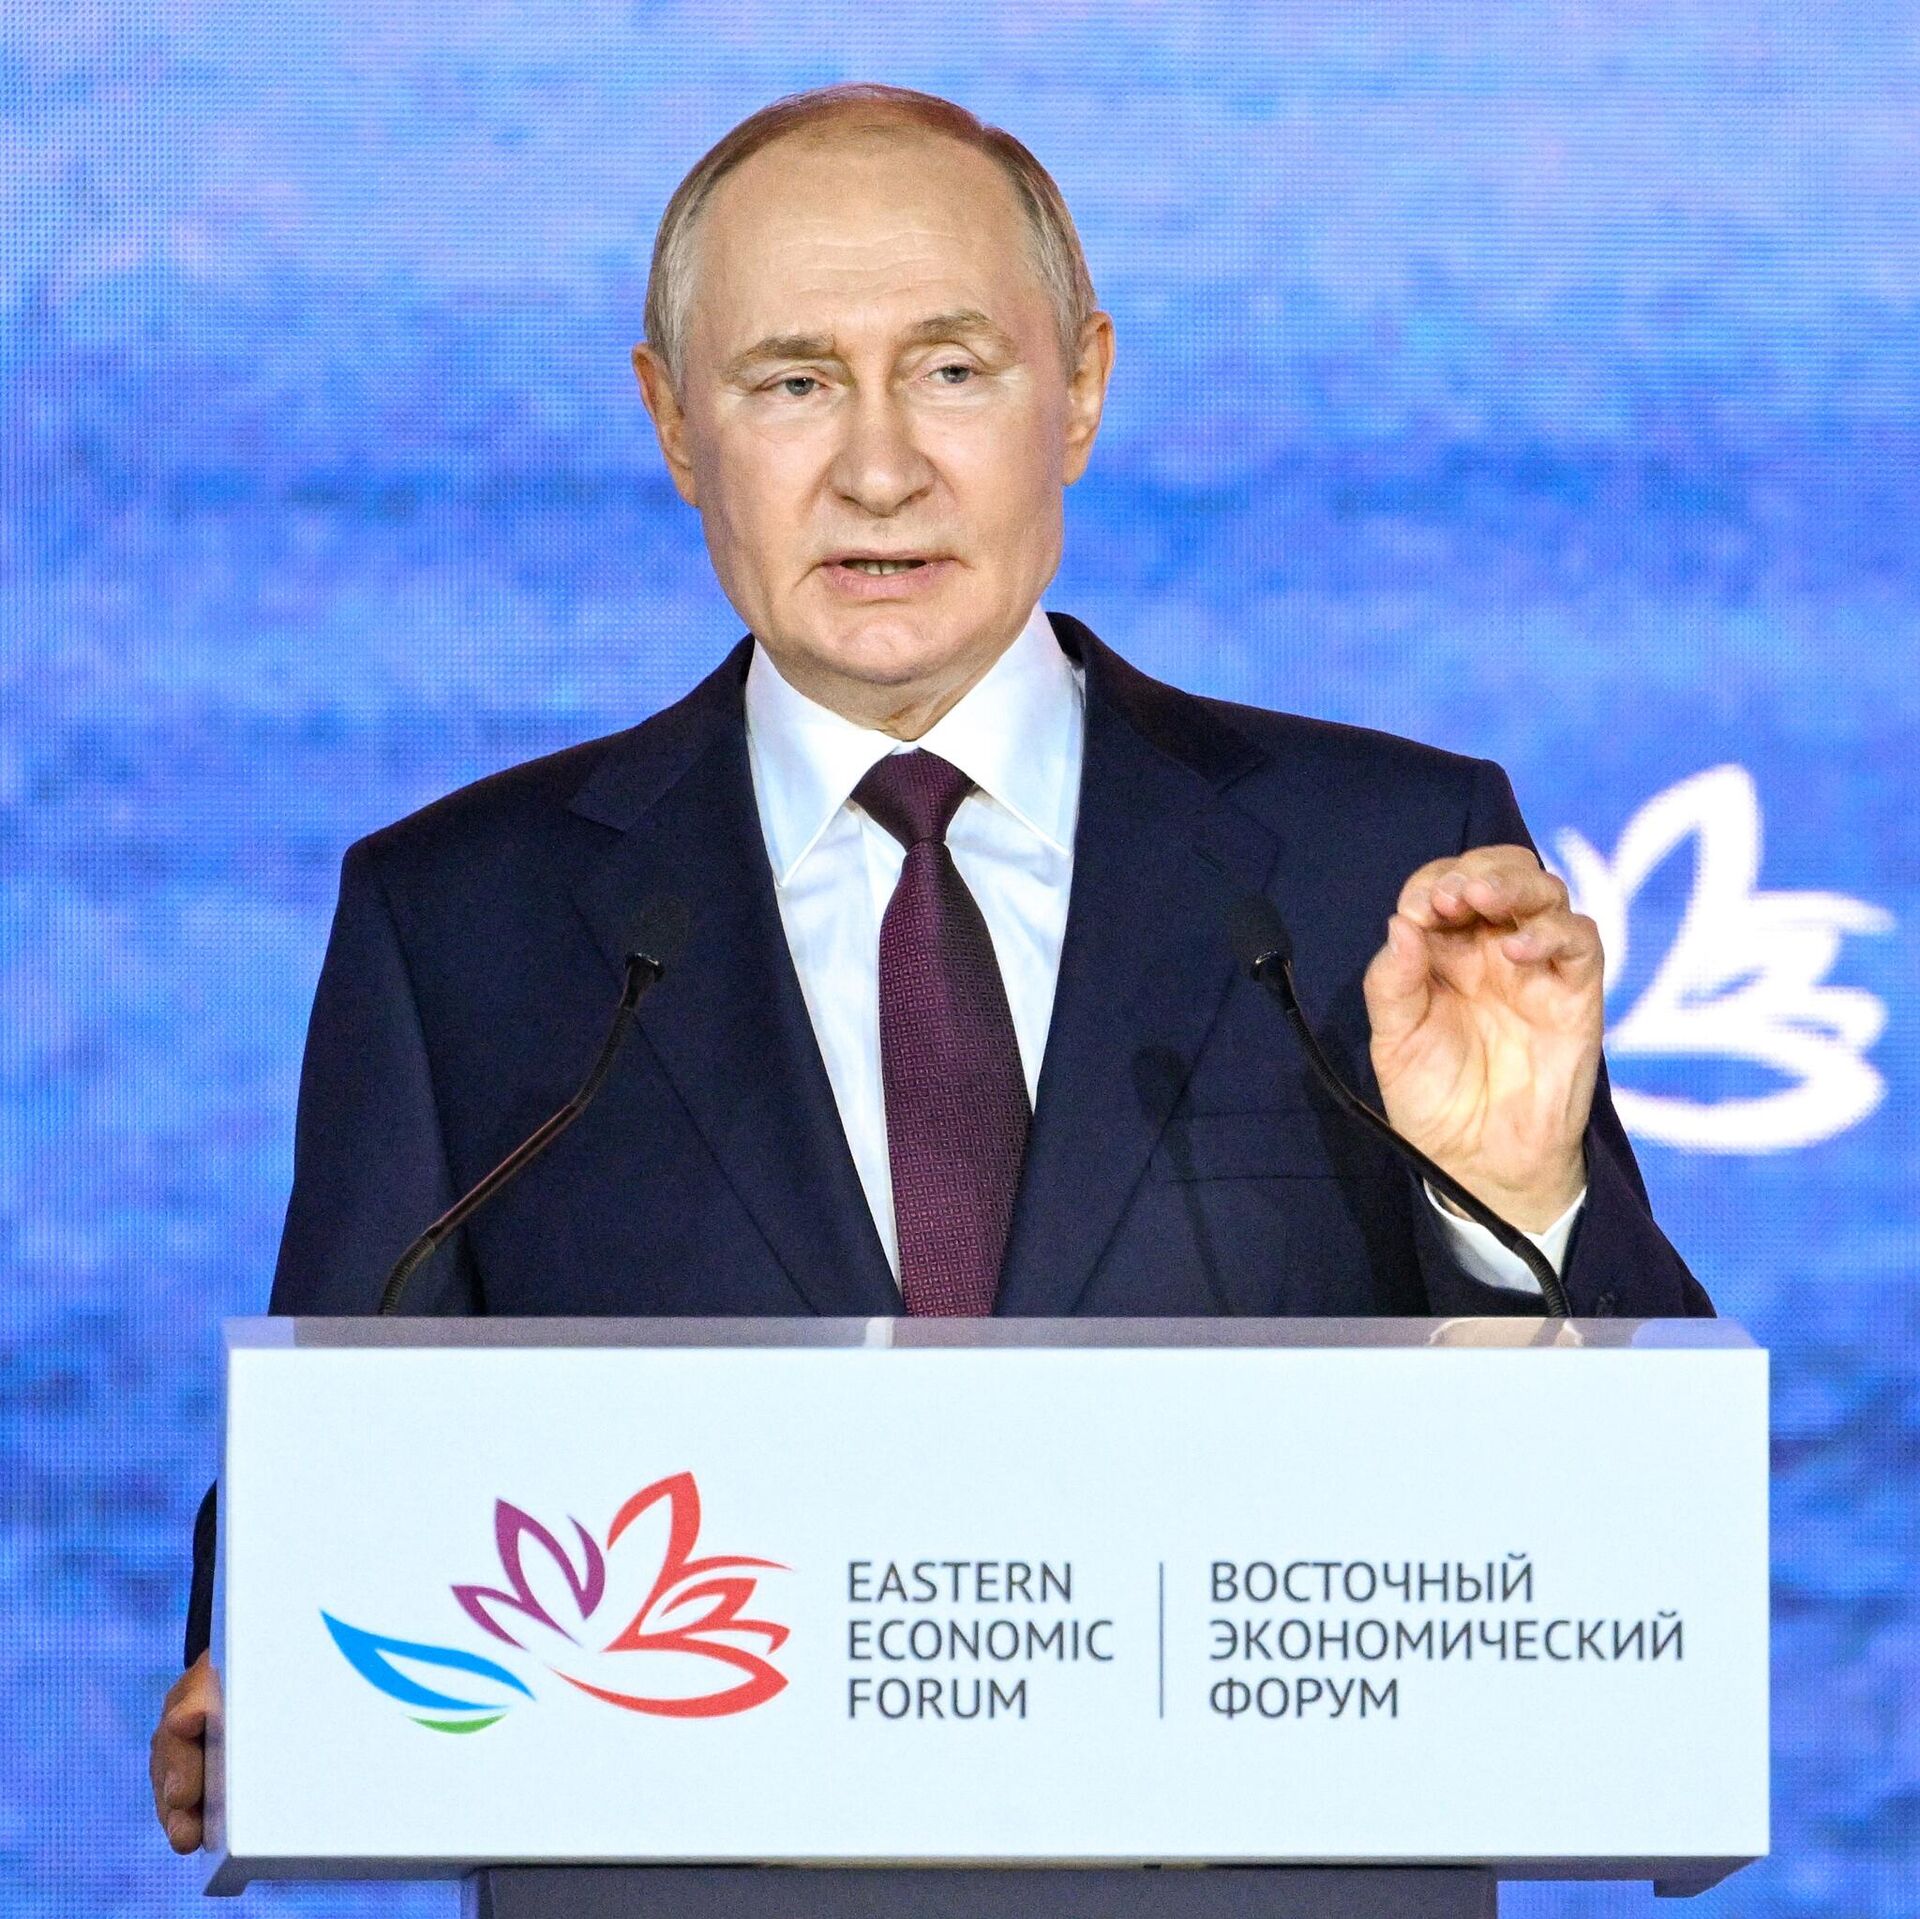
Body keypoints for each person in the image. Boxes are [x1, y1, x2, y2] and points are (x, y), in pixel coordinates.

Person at [150, 82, 1710, 1856]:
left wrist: (1515, 1209)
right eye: (791, 383)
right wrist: (269, 1670)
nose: (879, 469)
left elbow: (1639, 1583)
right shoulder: (464, 920)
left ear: (1084, 389)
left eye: (954, 370)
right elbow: (349, 1463)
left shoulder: (1381, 870)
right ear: (671, 422)